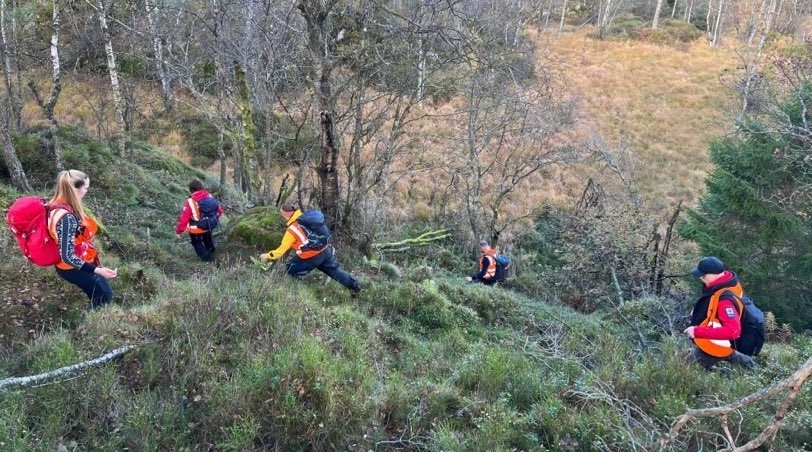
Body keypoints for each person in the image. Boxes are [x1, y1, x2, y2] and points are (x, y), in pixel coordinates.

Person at [48, 170, 117, 309]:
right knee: (104, 297)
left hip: (76, 263)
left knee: (98, 293)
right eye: (86, 188)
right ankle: (90, 326)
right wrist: (97, 270)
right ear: (75, 190)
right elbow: (67, 256)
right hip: (70, 267)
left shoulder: (59, 203)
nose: (87, 191)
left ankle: (93, 317)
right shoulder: (66, 218)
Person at [259, 203, 362, 295]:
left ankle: (297, 291)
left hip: (311, 257)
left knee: (288, 269)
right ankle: (355, 286)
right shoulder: (306, 217)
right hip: (325, 250)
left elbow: (280, 251)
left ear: (286, 215)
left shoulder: (292, 230)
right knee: (335, 271)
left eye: (282, 214)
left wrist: (267, 256)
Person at [683, 256, 759, 370]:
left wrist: (696, 331)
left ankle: (753, 368)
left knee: (686, 369)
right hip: (718, 342)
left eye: (703, 276)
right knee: (730, 354)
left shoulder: (726, 300)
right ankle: (753, 366)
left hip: (714, 346)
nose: (701, 279)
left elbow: (732, 331)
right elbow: (713, 301)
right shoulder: (728, 283)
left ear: (715, 274)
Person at [175, 179, 223, 262]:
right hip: (209, 224)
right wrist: (214, 218)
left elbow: (184, 219)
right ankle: (212, 252)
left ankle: (208, 260)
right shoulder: (209, 196)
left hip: (196, 228)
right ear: (201, 188)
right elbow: (219, 210)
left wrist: (179, 231)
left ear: (191, 190)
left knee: (196, 243)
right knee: (208, 238)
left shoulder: (190, 201)